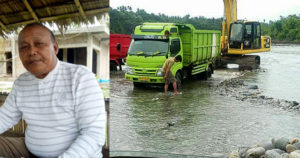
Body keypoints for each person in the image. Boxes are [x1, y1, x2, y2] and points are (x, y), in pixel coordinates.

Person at [0, 23, 106, 158]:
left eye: (39, 44)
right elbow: (4, 117)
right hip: (29, 150)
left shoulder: (80, 78)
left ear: (55, 48)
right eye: (24, 47)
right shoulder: (22, 82)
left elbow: (93, 134)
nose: (31, 51)